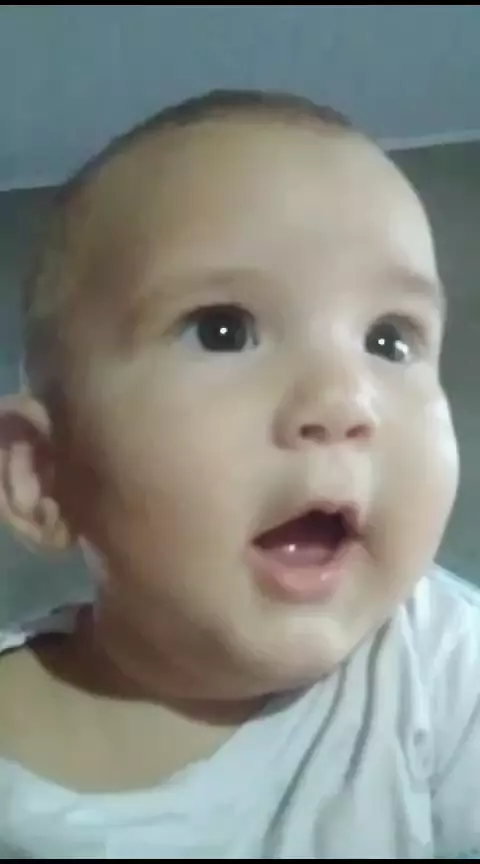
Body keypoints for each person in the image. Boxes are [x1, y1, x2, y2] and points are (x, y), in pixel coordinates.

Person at [0, 88, 477, 859]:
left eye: (390, 340)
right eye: (223, 330)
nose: (344, 400)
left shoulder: (441, 664)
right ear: (42, 476)